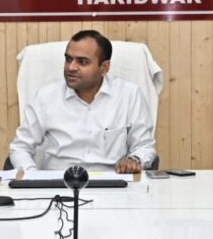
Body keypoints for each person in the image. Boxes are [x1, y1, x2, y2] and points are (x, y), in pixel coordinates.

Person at [8, 30, 156, 173]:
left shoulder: (129, 95)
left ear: (104, 67)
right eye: (68, 59)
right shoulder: (45, 97)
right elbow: (20, 148)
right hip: (58, 183)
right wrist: (33, 176)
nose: (71, 67)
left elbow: (144, 147)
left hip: (112, 182)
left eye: (83, 62)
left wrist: (134, 159)